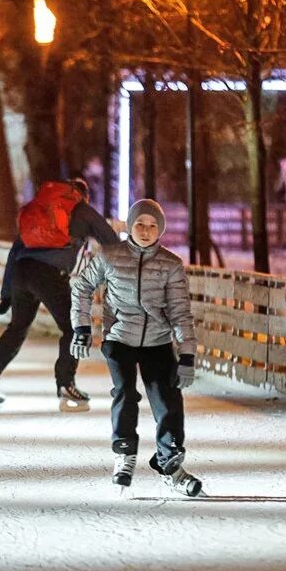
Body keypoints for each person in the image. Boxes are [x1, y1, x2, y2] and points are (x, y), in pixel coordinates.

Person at [70, 199, 203, 497]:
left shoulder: (170, 264)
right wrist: (81, 327)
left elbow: (180, 311)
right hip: (119, 337)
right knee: (125, 392)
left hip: (157, 340)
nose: (146, 230)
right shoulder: (110, 256)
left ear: (161, 230)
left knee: (168, 403)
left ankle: (169, 463)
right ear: (130, 226)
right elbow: (81, 287)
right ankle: (125, 453)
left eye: (153, 225)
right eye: (140, 224)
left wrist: (187, 354)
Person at [0, 177, 120, 412]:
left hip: (22, 271)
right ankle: (65, 385)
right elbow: (112, 241)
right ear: (83, 195)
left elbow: (15, 251)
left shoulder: (41, 211)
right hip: (47, 274)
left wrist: (7, 293)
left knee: (17, 329)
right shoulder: (81, 209)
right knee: (74, 327)